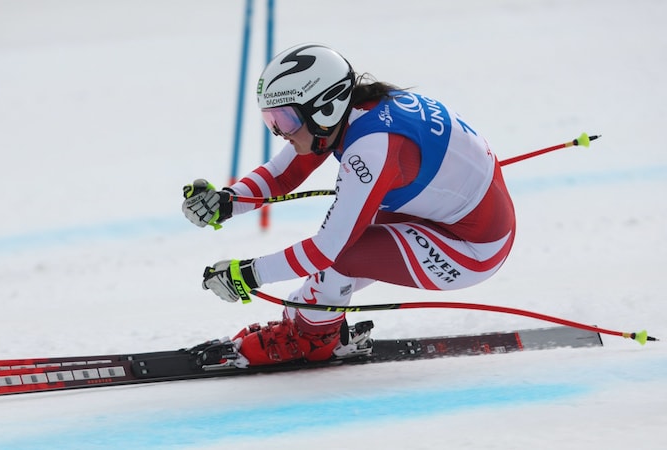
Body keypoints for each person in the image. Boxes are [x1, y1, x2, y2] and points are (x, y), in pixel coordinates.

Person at [182, 43, 516, 367]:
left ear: (325, 107)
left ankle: (311, 341)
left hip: (471, 248)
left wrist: (248, 274)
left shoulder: (371, 148)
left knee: (340, 257)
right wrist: (227, 202)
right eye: (271, 121)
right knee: (336, 253)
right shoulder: (354, 111)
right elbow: (284, 175)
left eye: (284, 121)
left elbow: (327, 250)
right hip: (445, 213)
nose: (280, 133)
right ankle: (308, 318)